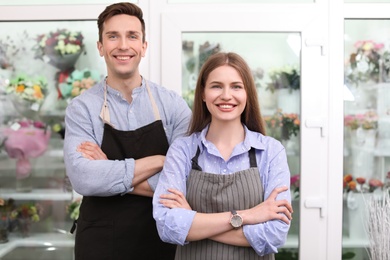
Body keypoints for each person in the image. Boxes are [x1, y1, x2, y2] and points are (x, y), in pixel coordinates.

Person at [63, 2, 191, 260]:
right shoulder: (82, 109)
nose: (123, 45)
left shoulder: (172, 104)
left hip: (162, 240)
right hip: (100, 244)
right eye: (113, 36)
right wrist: (161, 161)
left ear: (144, 46)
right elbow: (83, 178)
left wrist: (109, 169)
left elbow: (186, 178)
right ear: (101, 47)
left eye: (132, 36)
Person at [153, 52, 293, 260]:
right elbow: (167, 226)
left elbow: (273, 235)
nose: (226, 95)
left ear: (247, 94)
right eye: (216, 86)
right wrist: (248, 216)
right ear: (202, 93)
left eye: (236, 86)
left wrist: (194, 222)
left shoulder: (271, 151)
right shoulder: (182, 150)